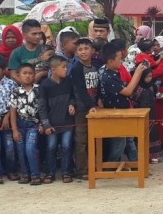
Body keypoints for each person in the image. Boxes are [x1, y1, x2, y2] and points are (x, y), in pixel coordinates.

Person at [99, 43, 148, 162]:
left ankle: (135, 163)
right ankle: (111, 165)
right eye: (119, 59)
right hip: (116, 114)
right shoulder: (107, 76)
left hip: (124, 110)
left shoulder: (114, 72)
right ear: (110, 61)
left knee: (129, 139)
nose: (121, 61)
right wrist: (138, 73)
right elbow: (127, 91)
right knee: (119, 144)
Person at [38, 56, 76, 184]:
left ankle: (66, 171)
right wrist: (46, 124)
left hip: (67, 122)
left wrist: (72, 104)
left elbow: (73, 96)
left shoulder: (69, 81)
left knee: (66, 146)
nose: (66, 69)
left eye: (66, 67)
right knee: (51, 147)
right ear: (53, 69)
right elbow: (42, 106)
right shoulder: (45, 85)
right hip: (52, 124)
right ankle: (50, 172)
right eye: (63, 67)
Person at [70, 38, 99, 180]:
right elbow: (80, 90)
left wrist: (98, 101)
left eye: (86, 49)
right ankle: (81, 170)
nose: (83, 52)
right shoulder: (76, 68)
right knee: (81, 139)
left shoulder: (94, 67)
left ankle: (93, 166)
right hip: (82, 109)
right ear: (76, 53)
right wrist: (90, 106)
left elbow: (97, 87)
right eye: (80, 50)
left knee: (93, 138)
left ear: (92, 50)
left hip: (94, 108)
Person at [9, 64, 42, 185]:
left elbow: (43, 110)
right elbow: (13, 112)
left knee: (30, 148)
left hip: (33, 125)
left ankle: (35, 175)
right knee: (20, 150)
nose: (28, 76)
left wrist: (42, 124)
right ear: (18, 75)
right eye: (25, 73)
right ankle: (25, 174)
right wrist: (14, 130)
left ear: (34, 75)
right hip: (19, 125)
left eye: (30, 73)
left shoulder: (39, 90)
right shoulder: (16, 91)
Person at [0, 54, 19, 184]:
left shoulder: (11, 84)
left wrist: (7, 117)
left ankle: (11, 170)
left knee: (10, 147)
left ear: (3, 69)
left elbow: (14, 103)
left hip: (7, 120)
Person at [131, 67, 162, 163]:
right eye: (147, 77)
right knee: (140, 134)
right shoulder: (136, 88)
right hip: (139, 114)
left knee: (152, 133)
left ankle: (153, 155)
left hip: (151, 114)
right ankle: (141, 155)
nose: (149, 79)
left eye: (150, 76)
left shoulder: (152, 87)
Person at [8, 19, 43, 84]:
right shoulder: (16, 53)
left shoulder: (45, 50)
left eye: (39, 33)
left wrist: (41, 74)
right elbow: (13, 75)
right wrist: (28, 85)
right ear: (24, 35)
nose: (38, 36)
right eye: (34, 34)